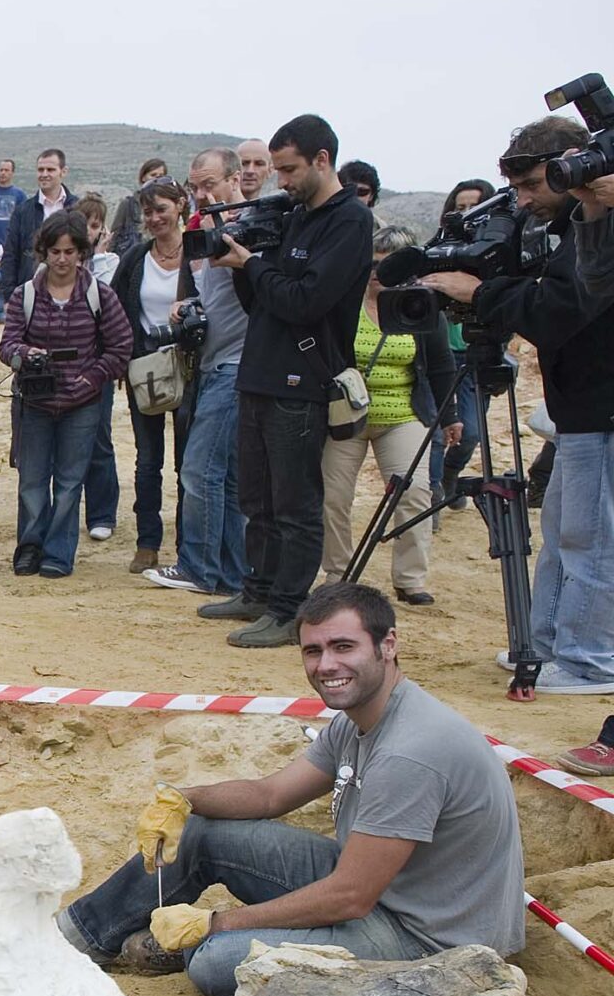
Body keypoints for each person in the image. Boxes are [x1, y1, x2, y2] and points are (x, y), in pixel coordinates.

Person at [54, 583, 525, 996]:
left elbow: (350, 897)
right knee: (199, 832)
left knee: (216, 961)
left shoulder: (410, 752)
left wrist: (215, 923)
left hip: (431, 940)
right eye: (313, 651)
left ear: (388, 645)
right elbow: (270, 795)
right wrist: (181, 798)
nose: (326, 665)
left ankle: (191, 946)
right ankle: (71, 938)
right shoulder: (359, 720)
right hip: (386, 893)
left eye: (343, 647)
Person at [422, 116, 614, 693]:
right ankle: (546, 644)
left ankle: (590, 661)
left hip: (601, 407)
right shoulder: (566, 226)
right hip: (578, 408)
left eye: (533, 184)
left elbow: (562, 309)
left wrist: (480, 292)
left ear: (572, 168)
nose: (523, 199)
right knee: (563, 533)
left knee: (593, 539)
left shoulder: (598, 229)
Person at [202, 114, 373, 649]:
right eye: (278, 170)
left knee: (295, 504)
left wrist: (253, 265)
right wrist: (241, 265)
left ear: (323, 160)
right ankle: (258, 591)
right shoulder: (293, 215)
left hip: (303, 380)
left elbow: (306, 301)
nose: (281, 180)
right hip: (261, 371)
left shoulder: (349, 221)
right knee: (257, 499)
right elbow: (262, 303)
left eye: (289, 169)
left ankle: (288, 609)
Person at [318, 225, 456, 605]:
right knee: (334, 495)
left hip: (403, 413)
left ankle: (410, 578)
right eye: (373, 263)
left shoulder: (421, 306)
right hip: (346, 414)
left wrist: (450, 416)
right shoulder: (344, 303)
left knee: (415, 491)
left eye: (388, 264)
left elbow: (441, 364)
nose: (378, 272)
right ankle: (338, 573)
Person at [0, 211, 132, 578]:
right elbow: (6, 344)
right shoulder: (24, 295)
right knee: (32, 480)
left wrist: (91, 379)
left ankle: (59, 553)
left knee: (71, 482)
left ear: (81, 253)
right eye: (55, 251)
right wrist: (25, 354)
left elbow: (121, 346)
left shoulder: (100, 295)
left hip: (82, 403)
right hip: (34, 402)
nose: (61, 259)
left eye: (69, 252)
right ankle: (30, 547)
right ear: (44, 252)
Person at [148, 147, 251, 598]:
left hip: (235, 365)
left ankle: (198, 567)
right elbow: (213, 295)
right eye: (196, 187)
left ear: (235, 179)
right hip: (212, 362)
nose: (203, 194)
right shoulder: (203, 228)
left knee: (199, 470)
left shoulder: (251, 227)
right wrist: (187, 306)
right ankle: (230, 573)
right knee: (224, 476)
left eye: (210, 185)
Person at [110, 180, 194, 574]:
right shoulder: (136, 257)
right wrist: (122, 357)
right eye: (148, 212)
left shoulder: (198, 254)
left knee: (187, 462)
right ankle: (147, 542)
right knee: (148, 461)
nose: (155, 218)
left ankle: (187, 542)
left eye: (161, 209)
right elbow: (115, 307)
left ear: (180, 206)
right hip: (145, 369)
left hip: (190, 368)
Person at [433, 178, 497, 512]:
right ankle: (431, 496)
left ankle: (450, 474)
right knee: (433, 432)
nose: (467, 214)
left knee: (471, 432)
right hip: (440, 355)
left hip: (477, 356)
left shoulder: (498, 258)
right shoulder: (440, 252)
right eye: (460, 208)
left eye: (475, 206)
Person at [74, 194, 121, 541]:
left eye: (94, 225)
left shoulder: (110, 262)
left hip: (98, 362)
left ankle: (102, 512)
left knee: (99, 437)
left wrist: (100, 255)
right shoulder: (56, 262)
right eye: (84, 224)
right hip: (63, 363)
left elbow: (105, 298)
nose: (88, 232)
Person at [0, 149, 71, 311]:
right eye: (40, 170)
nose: (44, 174)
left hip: (70, 296)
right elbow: (10, 254)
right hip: (30, 295)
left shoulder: (76, 208)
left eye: (50, 170)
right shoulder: (23, 211)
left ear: (63, 171)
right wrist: (9, 296)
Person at [0, 158, 27, 319]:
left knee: (5, 279)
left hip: (10, 245)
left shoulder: (19, 195)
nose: (3, 173)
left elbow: (23, 219)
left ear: (12, 173)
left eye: (6, 170)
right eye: (1, 170)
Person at [109, 158, 169, 255]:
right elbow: (114, 234)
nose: (156, 180)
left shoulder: (166, 206)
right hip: (129, 256)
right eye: (153, 175)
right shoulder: (128, 204)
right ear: (143, 177)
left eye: (161, 176)